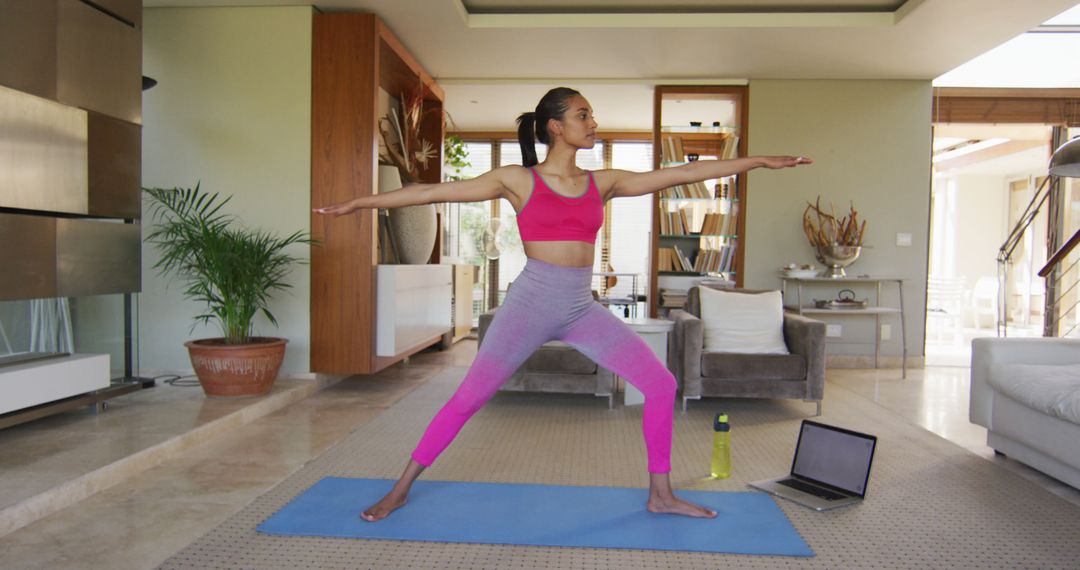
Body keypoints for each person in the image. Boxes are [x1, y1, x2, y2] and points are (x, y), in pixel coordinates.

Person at [314, 87, 812, 522]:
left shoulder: (603, 182)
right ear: (555, 126)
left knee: (659, 383)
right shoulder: (517, 179)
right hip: (530, 302)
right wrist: (360, 204)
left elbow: (675, 174)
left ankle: (661, 495)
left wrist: (757, 162)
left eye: (591, 116)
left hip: (579, 305)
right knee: (468, 398)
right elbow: (432, 191)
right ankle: (399, 490)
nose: (592, 123)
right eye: (583, 115)